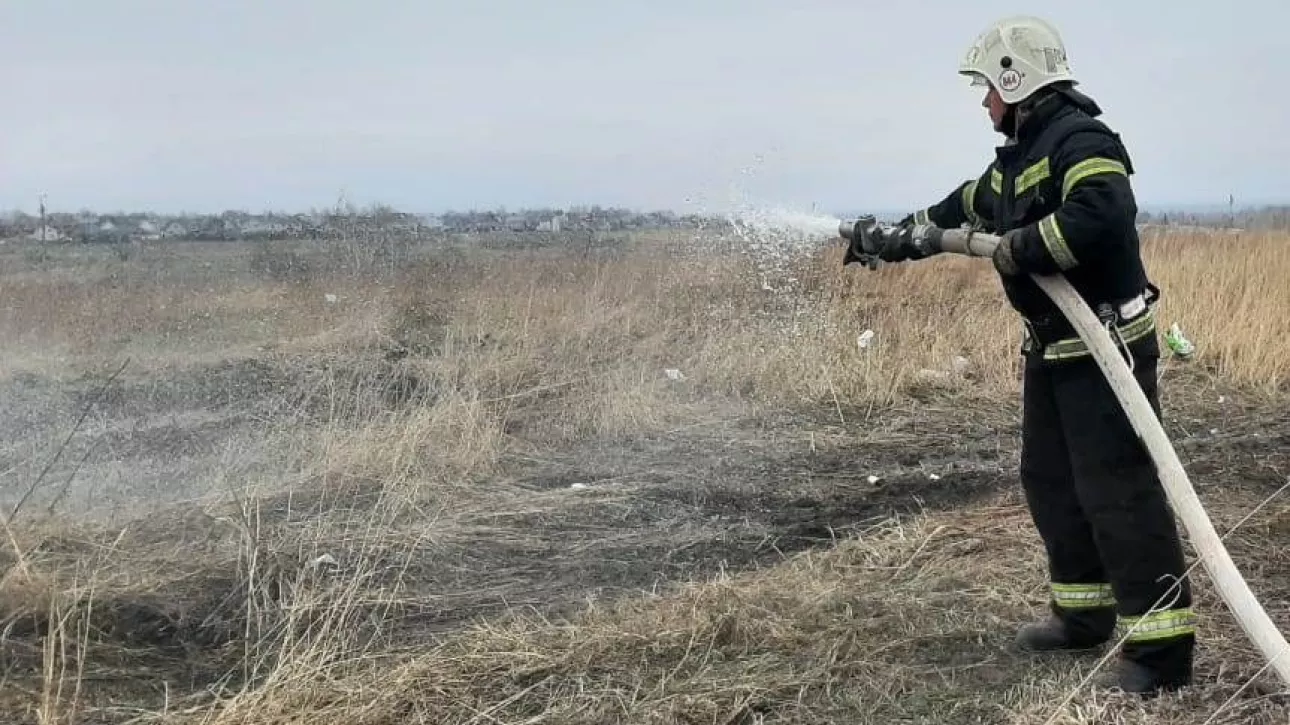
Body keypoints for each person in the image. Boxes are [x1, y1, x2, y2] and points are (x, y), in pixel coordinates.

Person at [843, 16, 1195, 695]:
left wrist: (1025, 247)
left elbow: (1101, 212)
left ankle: (1161, 650)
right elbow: (956, 213)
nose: (984, 104)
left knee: (1117, 490)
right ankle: (1083, 615)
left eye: (988, 89)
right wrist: (889, 239)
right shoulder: (1013, 164)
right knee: (1051, 481)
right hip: (1054, 349)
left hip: (1106, 346)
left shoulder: (1081, 141)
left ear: (1016, 79)